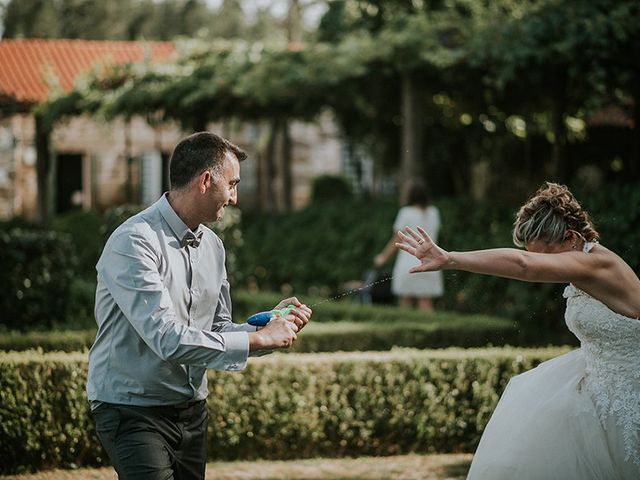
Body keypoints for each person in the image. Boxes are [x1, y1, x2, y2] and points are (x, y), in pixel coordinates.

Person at [87, 131, 312, 480]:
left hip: (192, 412)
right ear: (206, 180)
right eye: (232, 185)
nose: (235, 197)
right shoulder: (134, 242)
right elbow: (167, 338)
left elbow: (217, 331)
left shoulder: (214, 247)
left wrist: (268, 327)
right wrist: (259, 340)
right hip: (132, 410)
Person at [395, 182, 640, 479]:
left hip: (629, 390)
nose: (544, 266)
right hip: (596, 384)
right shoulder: (584, 265)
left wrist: (451, 259)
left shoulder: (599, 265)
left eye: (546, 256)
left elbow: (524, 265)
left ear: (571, 238)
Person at [374, 180, 443, 311]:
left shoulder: (405, 212)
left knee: (405, 301)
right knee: (426, 302)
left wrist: (382, 257)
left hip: (408, 261)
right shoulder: (434, 212)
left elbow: (397, 239)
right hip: (430, 260)